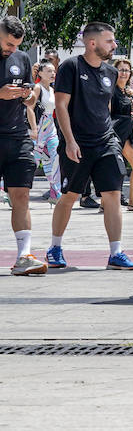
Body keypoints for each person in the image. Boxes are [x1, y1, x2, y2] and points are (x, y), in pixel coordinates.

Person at [45, 23, 133, 271]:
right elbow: (61, 106)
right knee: (70, 196)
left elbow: (104, 107)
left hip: (105, 143)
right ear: (92, 43)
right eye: (109, 41)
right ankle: (55, 247)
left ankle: (116, 252)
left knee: (113, 196)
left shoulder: (111, 72)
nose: (114, 45)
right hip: (78, 144)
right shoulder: (71, 67)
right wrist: (70, 141)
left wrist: (113, 138)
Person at [2, 17, 44, 276]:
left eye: (16, 45)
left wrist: (29, 96)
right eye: (8, 43)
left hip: (17, 136)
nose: (12, 49)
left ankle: (23, 256)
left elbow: (32, 94)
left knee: (22, 195)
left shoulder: (22, 59)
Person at [110, 57, 133, 212]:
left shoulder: (129, 93)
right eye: (121, 69)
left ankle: (132, 201)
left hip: (127, 134)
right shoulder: (111, 91)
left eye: (127, 70)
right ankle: (107, 203)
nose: (124, 73)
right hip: (115, 134)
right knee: (115, 169)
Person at [32, 61, 59, 201]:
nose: (52, 74)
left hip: (50, 126)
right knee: (33, 161)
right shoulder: (37, 88)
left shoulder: (53, 89)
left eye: (53, 71)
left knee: (55, 157)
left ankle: (55, 192)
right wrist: (33, 128)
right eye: (49, 71)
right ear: (40, 73)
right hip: (39, 126)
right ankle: (10, 190)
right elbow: (29, 108)